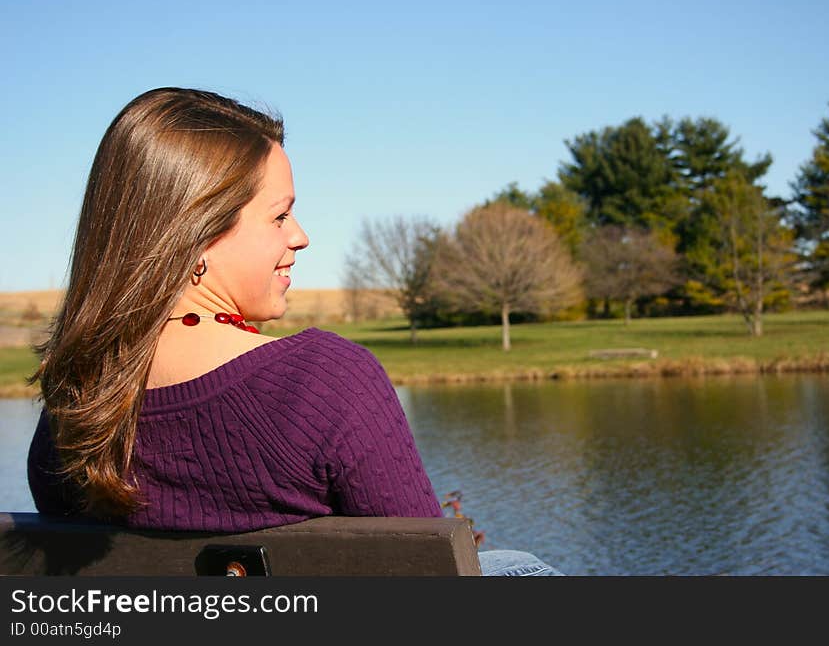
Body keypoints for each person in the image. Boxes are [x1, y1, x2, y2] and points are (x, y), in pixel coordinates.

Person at [26, 87, 562, 576]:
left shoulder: (71, 409)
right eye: (280, 216)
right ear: (196, 233)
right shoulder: (324, 381)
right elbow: (431, 582)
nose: (301, 237)